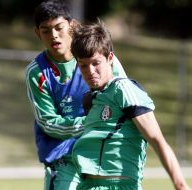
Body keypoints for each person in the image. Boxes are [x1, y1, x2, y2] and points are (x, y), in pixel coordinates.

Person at [70, 21, 192, 190]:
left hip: (120, 185)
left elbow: (157, 140)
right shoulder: (90, 100)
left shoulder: (124, 89)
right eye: (83, 65)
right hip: (87, 185)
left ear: (110, 58)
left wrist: (180, 184)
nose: (90, 71)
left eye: (96, 63)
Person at [25, 1, 127, 189]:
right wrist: (90, 123)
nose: (54, 35)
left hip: (102, 152)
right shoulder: (37, 72)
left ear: (72, 26)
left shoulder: (99, 57)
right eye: (46, 30)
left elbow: (124, 96)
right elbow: (48, 122)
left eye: (59, 27)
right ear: (37, 33)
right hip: (63, 155)